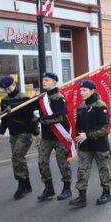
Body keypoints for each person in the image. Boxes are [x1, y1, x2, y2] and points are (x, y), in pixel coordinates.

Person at [69, 80, 111, 208]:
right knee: (82, 171)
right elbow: (79, 127)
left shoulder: (101, 106)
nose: (81, 93)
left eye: (84, 90)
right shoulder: (81, 106)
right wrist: (78, 138)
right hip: (84, 146)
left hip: (99, 145)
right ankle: (82, 197)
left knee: (103, 170)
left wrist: (87, 135)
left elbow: (104, 127)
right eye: (81, 90)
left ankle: (106, 193)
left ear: (92, 91)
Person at [31, 72, 73, 201]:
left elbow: (59, 117)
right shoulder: (43, 98)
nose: (43, 82)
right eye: (43, 80)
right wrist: (13, 107)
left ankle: (67, 188)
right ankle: (49, 188)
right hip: (47, 137)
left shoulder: (59, 98)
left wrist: (40, 119)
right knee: (42, 162)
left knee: (63, 164)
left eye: (47, 80)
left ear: (54, 82)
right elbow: (28, 106)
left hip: (59, 137)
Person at [0, 76, 40, 200]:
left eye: (9, 88)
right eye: (5, 89)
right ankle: (27, 184)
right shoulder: (4, 100)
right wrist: (1, 132)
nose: (8, 91)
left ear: (14, 85)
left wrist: (35, 134)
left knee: (16, 157)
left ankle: (21, 185)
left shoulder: (23, 99)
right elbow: (4, 118)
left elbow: (31, 118)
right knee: (19, 159)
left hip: (25, 133)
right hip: (13, 133)